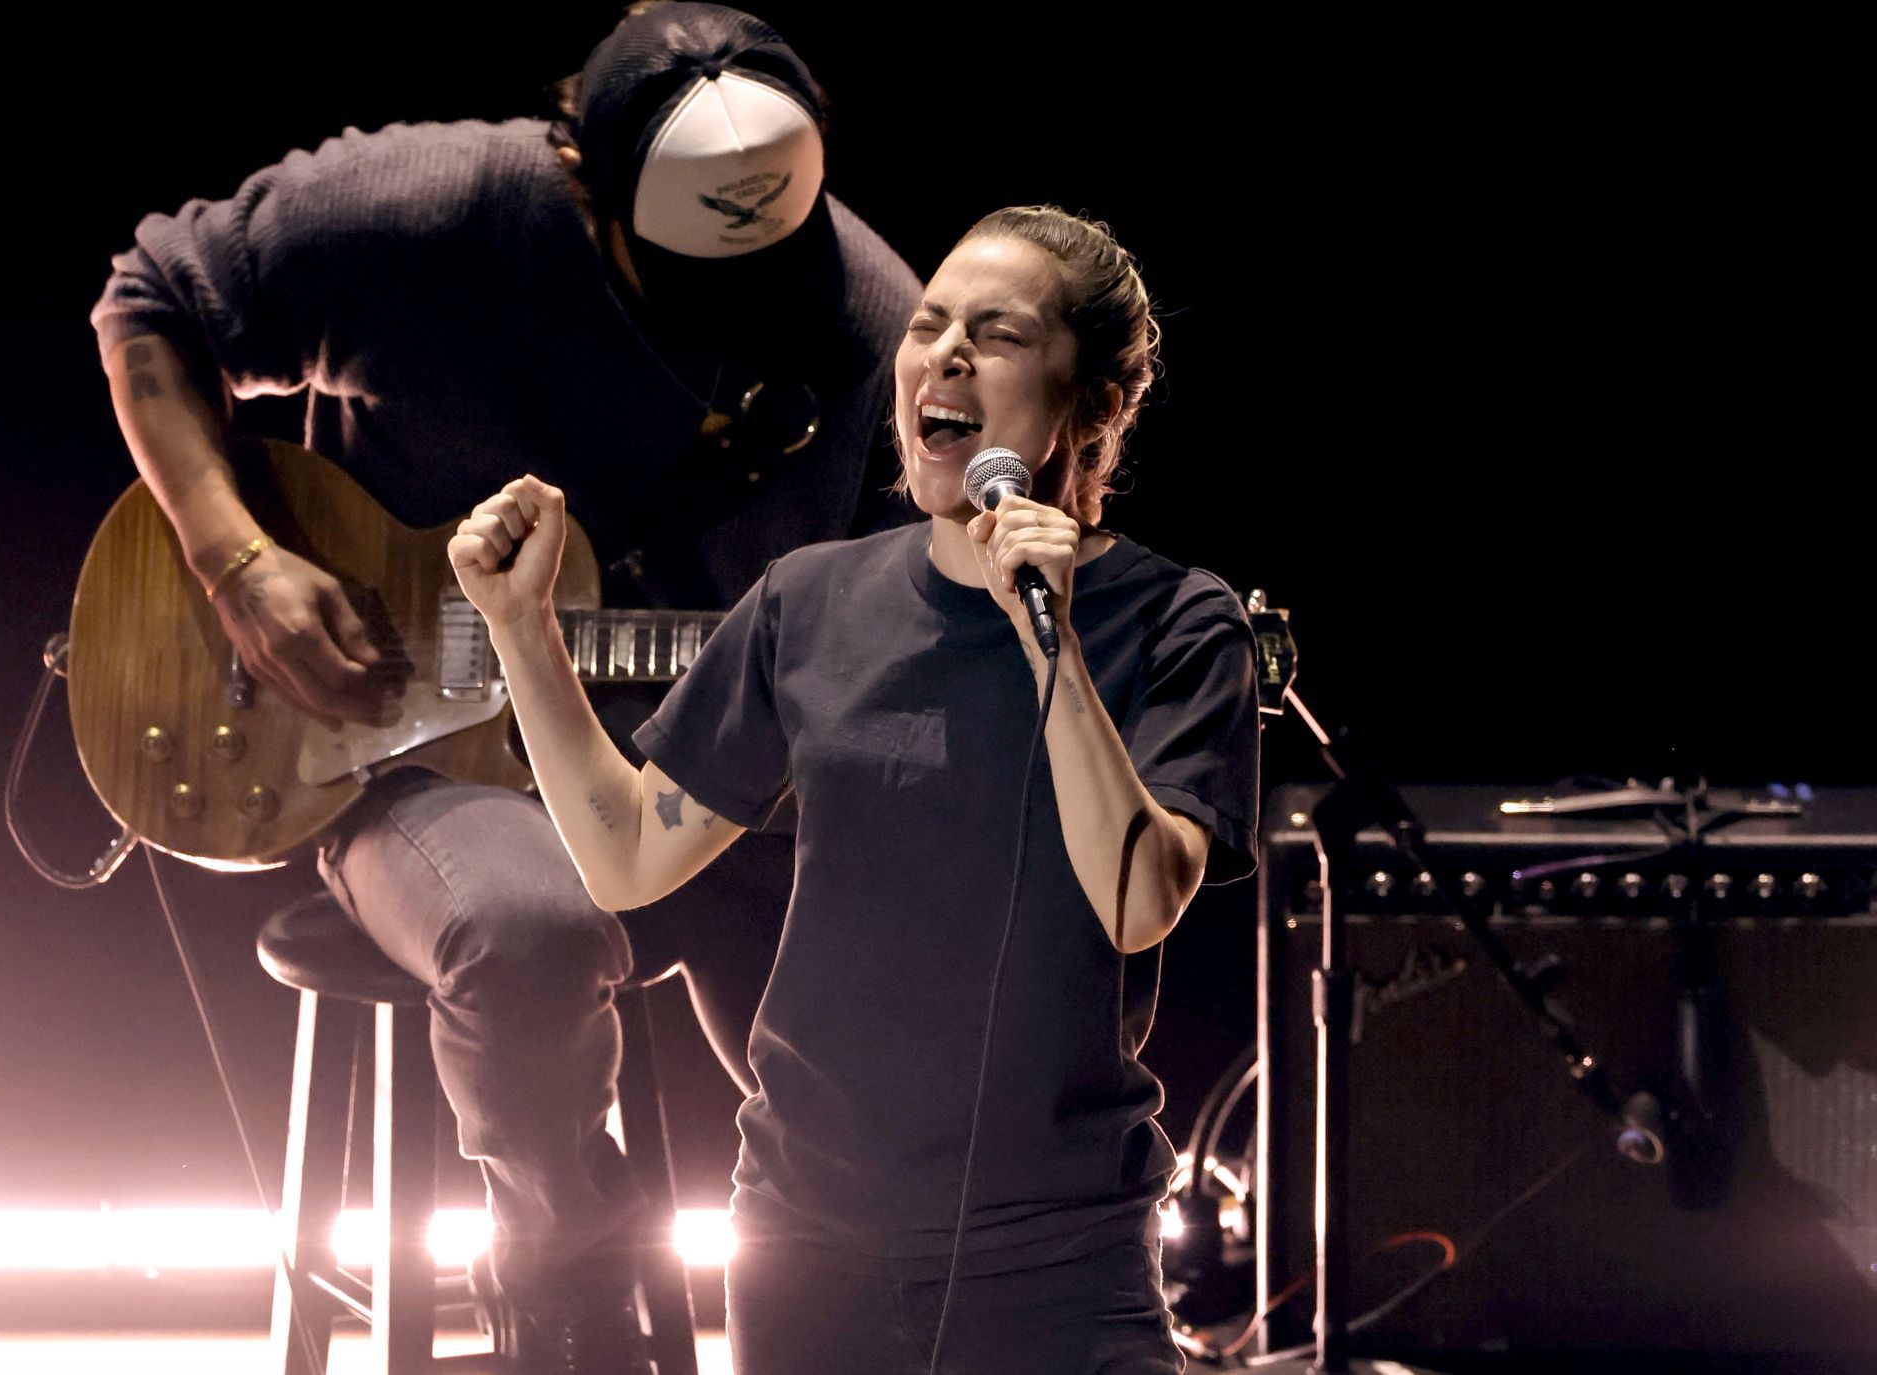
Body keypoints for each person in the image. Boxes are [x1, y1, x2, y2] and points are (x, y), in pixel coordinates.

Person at [89, 6, 921, 1372]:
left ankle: (852, 1304)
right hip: (412, 750)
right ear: (585, 192)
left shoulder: (873, 321)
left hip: (702, 779)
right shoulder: (440, 213)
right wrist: (237, 561)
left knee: (888, 1006)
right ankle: (567, 1269)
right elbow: (151, 300)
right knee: (529, 930)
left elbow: (909, 618)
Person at [450, 206, 1261, 1375]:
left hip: (1055, 1262)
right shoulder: (808, 602)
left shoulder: (1181, 622)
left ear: (1092, 403)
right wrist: (519, 631)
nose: (945, 354)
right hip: (805, 1242)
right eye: (929, 325)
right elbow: (626, 855)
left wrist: (1050, 644)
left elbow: (1140, 899)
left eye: (1000, 334)